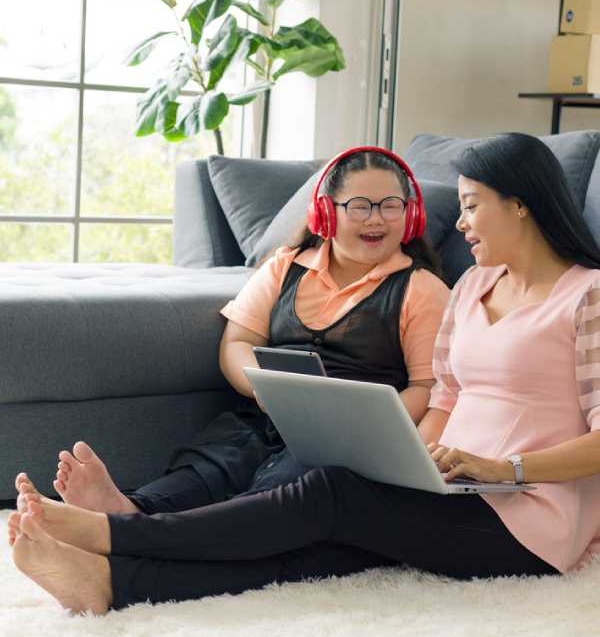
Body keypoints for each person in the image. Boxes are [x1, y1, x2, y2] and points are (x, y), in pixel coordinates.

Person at [11, 132, 600, 617]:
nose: (460, 223)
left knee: (330, 494)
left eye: (472, 205)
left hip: (528, 519)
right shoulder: (474, 286)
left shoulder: (587, 297)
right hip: (454, 489)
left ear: (520, 202)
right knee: (320, 541)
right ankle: (114, 585)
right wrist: (409, 467)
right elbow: (447, 394)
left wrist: (506, 468)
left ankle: (115, 533)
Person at [34, 146, 447, 518]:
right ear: (325, 213)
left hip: (346, 442)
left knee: (278, 491)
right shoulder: (286, 265)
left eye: (390, 205)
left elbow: (428, 386)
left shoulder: (421, 288)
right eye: (359, 206)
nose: (376, 218)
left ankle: (150, 533)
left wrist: (368, 427)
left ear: (410, 214)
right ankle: (130, 508)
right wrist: (261, 388)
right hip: (265, 417)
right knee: (213, 463)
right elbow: (237, 342)